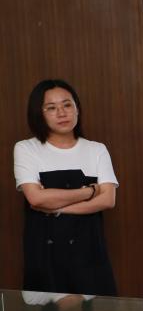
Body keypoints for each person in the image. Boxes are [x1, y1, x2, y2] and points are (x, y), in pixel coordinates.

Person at [14, 79, 118, 296]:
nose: (62, 113)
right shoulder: (26, 148)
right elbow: (36, 199)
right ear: (39, 113)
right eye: (51, 108)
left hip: (89, 250)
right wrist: (89, 191)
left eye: (67, 105)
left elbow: (108, 200)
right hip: (44, 252)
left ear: (77, 108)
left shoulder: (96, 149)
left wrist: (56, 206)